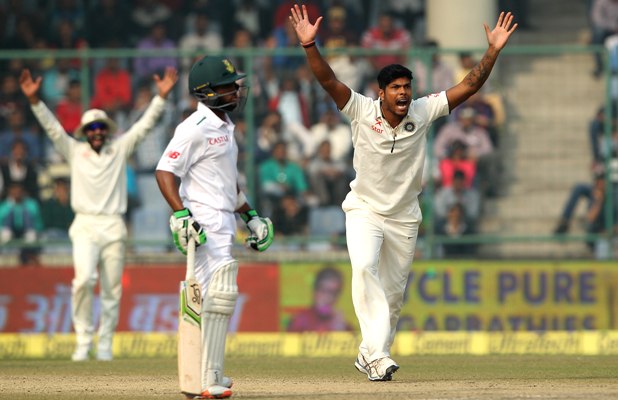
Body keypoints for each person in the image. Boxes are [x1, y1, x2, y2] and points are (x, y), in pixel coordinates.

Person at [289, 4, 516, 381]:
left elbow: (471, 85)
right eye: (396, 87)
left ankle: (370, 355)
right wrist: (310, 45)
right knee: (363, 267)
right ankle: (379, 358)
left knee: (393, 298)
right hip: (364, 209)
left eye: (407, 87)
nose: (404, 93)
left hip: (405, 215)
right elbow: (329, 81)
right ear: (382, 92)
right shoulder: (361, 110)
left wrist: (492, 51)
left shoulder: (423, 111)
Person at [19, 66, 178, 362]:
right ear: (85, 133)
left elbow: (143, 127)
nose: (96, 133)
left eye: (100, 128)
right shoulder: (74, 150)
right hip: (85, 225)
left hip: (113, 225)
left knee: (111, 289)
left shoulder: (118, 149)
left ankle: (104, 344)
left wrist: (160, 98)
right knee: (82, 282)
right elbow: (53, 129)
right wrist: (34, 102)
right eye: (91, 129)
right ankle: (82, 341)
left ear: (106, 130)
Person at [155, 55, 274, 399]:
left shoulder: (224, 127)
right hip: (203, 222)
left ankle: (211, 372)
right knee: (219, 294)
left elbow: (228, 183)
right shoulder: (194, 128)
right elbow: (165, 172)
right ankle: (206, 379)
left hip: (223, 219)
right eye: (227, 86)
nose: (236, 91)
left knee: (215, 297)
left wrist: (251, 216)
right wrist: (180, 215)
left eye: (234, 85)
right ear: (205, 92)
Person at [287, 265, 353, 332]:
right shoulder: (301, 320)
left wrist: (342, 330)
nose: (329, 297)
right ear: (315, 291)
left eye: (334, 293)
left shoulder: (341, 323)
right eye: (325, 291)